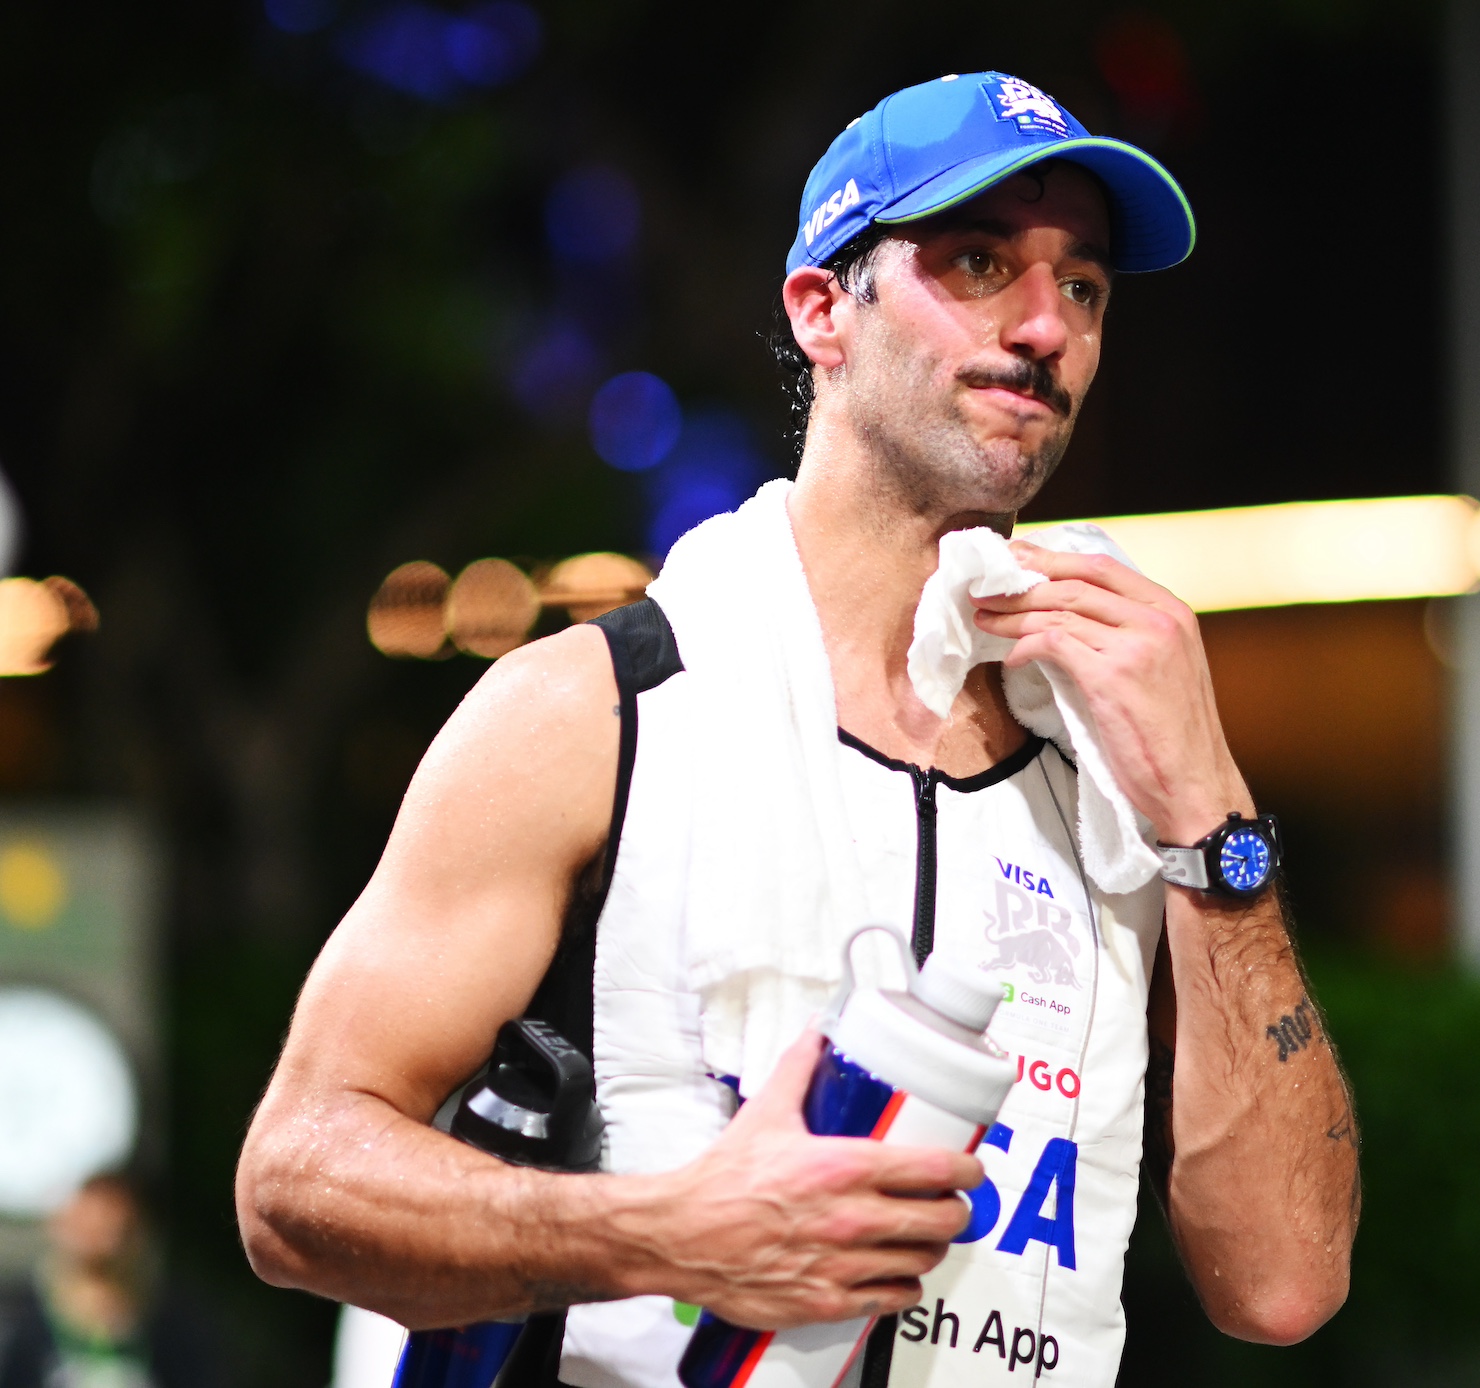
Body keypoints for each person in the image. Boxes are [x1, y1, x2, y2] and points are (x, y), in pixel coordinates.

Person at [235, 70, 1360, 1387]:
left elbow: (1285, 1287)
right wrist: (665, 1235)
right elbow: (294, 1181)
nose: (1049, 325)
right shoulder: (604, 708)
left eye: (1088, 286)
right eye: (982, 263)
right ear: (823, 310)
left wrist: (1212, 820)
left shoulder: (1111, 762)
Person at [0, 1174, 222, 1388]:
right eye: (90, 1205)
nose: (103, 1222)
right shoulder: (17, 1319)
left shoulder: (175, 1324)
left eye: (113, 1207)